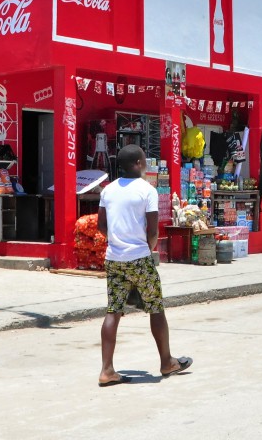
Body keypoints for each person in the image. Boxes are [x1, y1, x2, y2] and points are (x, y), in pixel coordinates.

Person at [96, 144, 191, 387]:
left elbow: (101, 226)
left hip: (114, 259)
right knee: (156, 307)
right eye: (144, 161)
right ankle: (167, 361)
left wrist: (116, 242)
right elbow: (152, 230)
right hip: (139, 257)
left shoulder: (108, 190)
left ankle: (106, 370)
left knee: (113, 311)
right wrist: (147, 249)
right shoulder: (146, 190)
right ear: (138, 163)